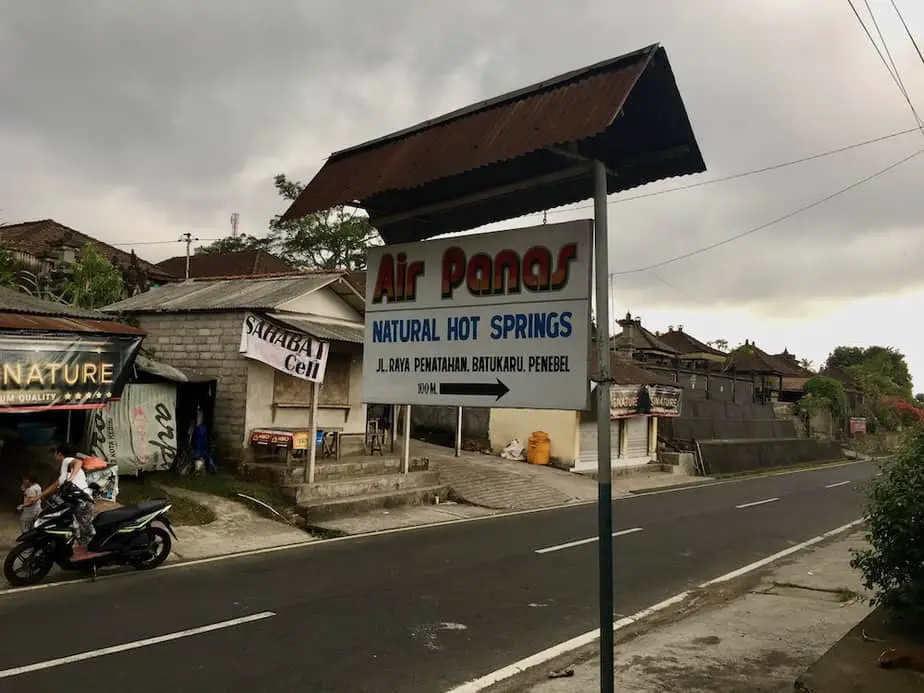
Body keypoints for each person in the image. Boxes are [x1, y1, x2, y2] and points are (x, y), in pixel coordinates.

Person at [38, 443, 99, 561]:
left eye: (55, 452)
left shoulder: (67, 460)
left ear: (59, 453)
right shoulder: (64, 470)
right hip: (75, 503)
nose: (54, 455)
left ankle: (91, 558)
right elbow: (56, 484)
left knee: (85, 532)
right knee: (75, 529)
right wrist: (38, 496)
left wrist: (71, 479)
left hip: (83, 502)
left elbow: (78, 462)